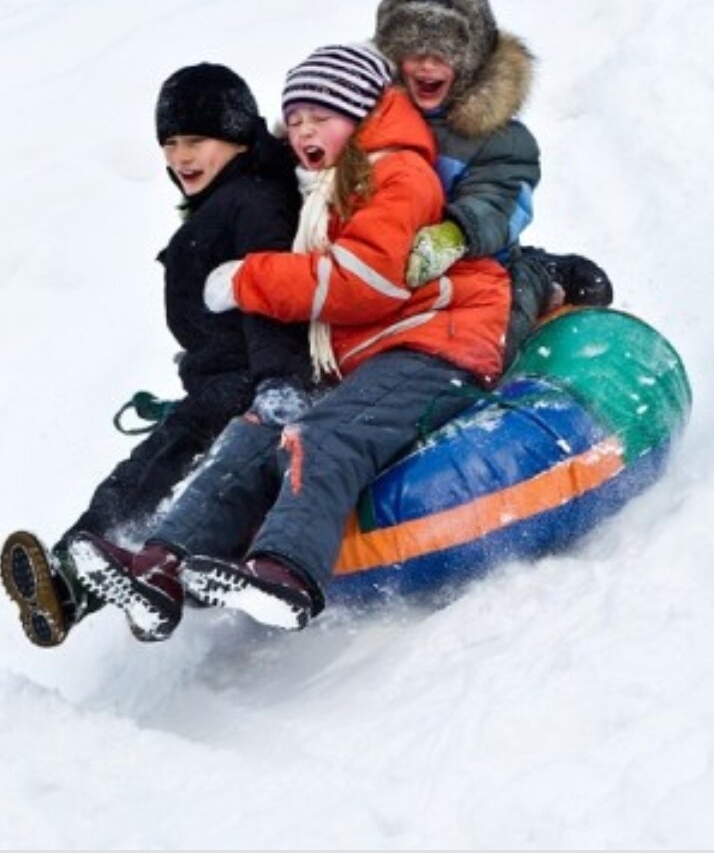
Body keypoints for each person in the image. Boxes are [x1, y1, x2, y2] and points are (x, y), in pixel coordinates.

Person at [66, 42, 512, 640]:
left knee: (320, 434)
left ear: (360, 115)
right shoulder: (321, 190)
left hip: (436, 345)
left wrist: (251, 280)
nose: (303, 130)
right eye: (294, 119)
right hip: (367, 356)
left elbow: (369, 280)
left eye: (320, 117)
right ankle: (162, 568)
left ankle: (288, 572)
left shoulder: (396, 173)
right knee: (253, 433)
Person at [0, 63, 312, 648]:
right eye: (170, 143)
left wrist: (275, 382)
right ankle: (74, 579)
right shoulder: (230, 199)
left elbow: (268, 294)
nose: (181, 156)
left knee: (158, 474)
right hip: (221, 383)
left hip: (244, 386)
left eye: (197, 140)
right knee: (146, 473)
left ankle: (93, 577)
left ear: (240, 136)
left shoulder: (254, 204)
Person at [373, 0, 613, 362]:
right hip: (384, 265)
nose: (427, 67)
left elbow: (499, 200)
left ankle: (538, 277)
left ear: (469, 61)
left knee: (490, 334)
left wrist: (456, 233)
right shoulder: (363, 121)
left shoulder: (500, 138)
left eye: (444, 54)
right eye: (413, 53)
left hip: (482, 265)